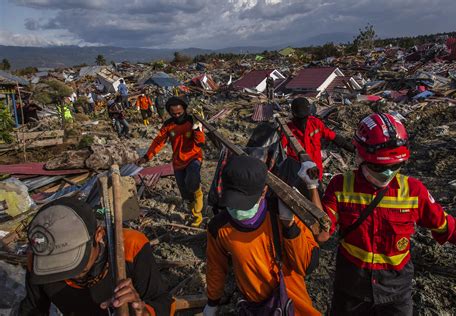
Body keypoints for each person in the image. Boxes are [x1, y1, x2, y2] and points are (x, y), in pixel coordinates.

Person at [319, 113, 456, 315]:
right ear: (360, 156)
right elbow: (322, 232)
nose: (387, 173)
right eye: (379, 167)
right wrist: (312, 186)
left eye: (395, 167)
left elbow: (448, 227)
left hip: (395, 294)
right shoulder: (340, 186)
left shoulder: (413, 191)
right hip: (352, 291)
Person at [204, 155, 321, 316]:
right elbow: (216, 266)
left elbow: (307, 265)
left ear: (264, 191)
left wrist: (289, 227)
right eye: (232, 202)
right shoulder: (219, 228)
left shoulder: (283, 215)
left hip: (292, 305)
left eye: (244, 203)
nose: (237, 209)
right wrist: (212, 302)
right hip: (255, 307)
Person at [18, 196, 174, 316]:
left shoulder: (130, 246)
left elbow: (163, 303)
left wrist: (142, 311)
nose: (70, 275)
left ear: (98, 235)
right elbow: (33, 309)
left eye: (76, 265)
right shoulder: (39, 264)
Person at [137, 96, 205, 227]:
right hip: (178, 161)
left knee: (192, 182)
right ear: (170, 113)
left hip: (193, 157)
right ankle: (195, 214)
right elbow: (158, 142)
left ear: (184, 110)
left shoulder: (192, 121)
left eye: (179, 113)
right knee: (185, 192)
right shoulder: (168, 125)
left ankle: (198, 211)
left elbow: (201, 142)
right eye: (174, 114)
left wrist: (197, 129)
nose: (177, 115)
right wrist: (146, 157)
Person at [280, 97, 354, 181]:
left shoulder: (315, 123)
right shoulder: (287, 131)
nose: (303, 121)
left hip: (316, 173)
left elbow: (333, 136)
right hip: (298, 175)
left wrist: (351, 148)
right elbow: (279, 150)